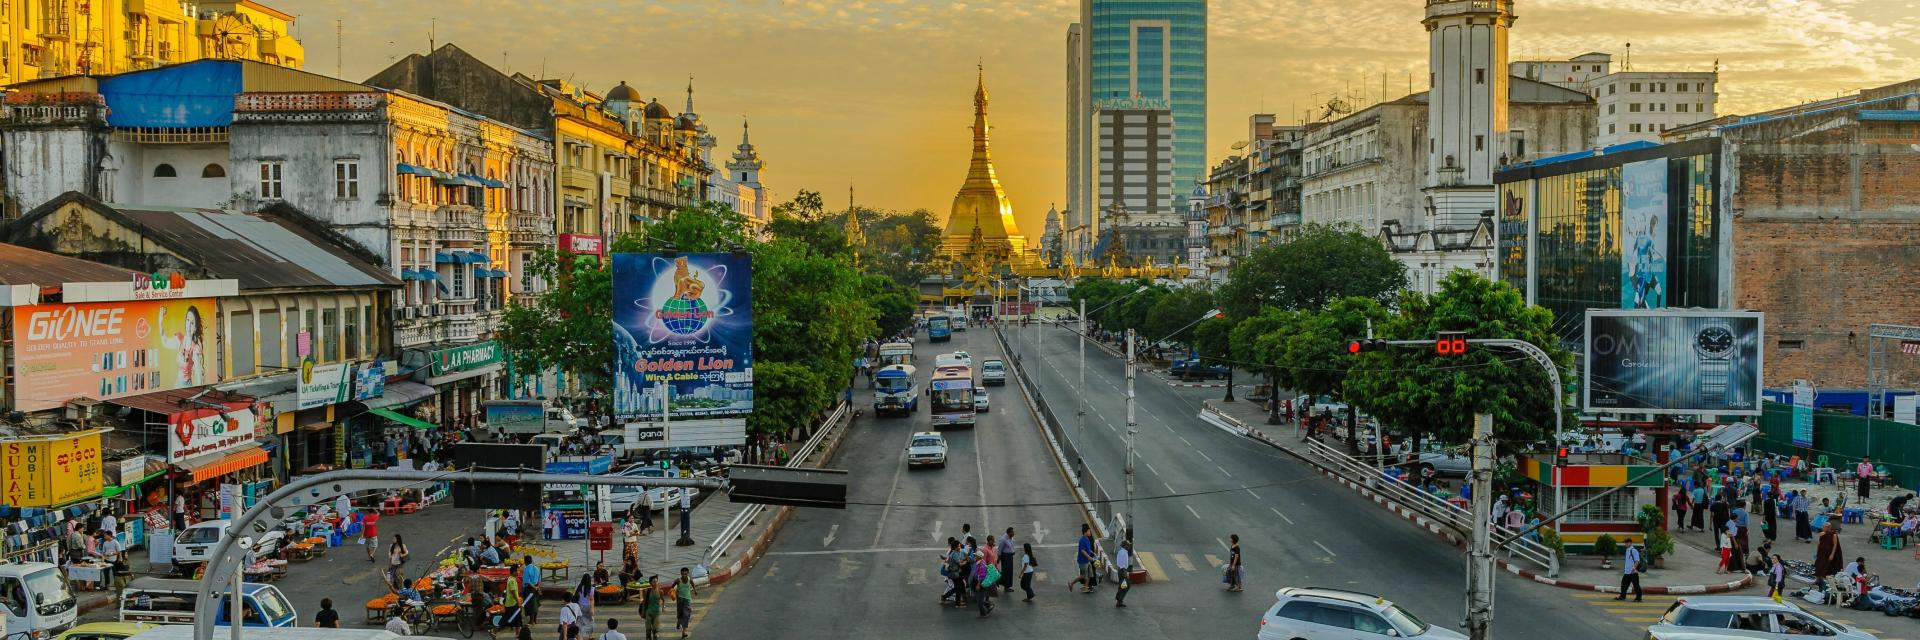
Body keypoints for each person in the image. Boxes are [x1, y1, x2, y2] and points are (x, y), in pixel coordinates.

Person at [1072, 524, 1096, 593]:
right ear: (1085, 532)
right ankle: (1071, 583)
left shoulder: (1087, 539)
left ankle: (1085, 588)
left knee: (1089, 574)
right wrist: (1089, 557)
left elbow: (1088, 549)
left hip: (1087, 561)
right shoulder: (1082, 540)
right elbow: (1082, 551)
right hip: (1083, 561)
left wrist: (1093, 553)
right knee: (1083, 576)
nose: (1090, 532)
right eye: (1089, 531)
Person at [639, 575, 663, 640]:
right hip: (648, 612)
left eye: (656, 581)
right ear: (650, 583)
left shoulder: (660, 591)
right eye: (654, 581)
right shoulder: (647, 591)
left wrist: (663, 607)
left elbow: (663, 599)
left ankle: (655, 636)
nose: (655, 583)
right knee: (648, 629)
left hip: (656, 613)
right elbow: (644, 602)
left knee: (655, 629)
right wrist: (642, 612)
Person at [674, 568, 694, 639]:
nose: (684, 575)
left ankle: (683, 632)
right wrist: (673, 593)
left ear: (688, 573)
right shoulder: (678, 580)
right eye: (683, 574)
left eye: (685, 574)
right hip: (680, 599)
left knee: (686, 615)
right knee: (680, 613)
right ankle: (678, 622)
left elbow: (692, 584)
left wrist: (695, 591)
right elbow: (672, 587)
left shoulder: (689, 579)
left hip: (687, 600)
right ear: (681, 574)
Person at [1112, 540, 1133, 608]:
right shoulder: (1123, 553)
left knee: (1123, 585)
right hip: (1122, 571)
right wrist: (1125, 573)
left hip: (1122, 570)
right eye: (1128, 545)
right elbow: (1122, 565)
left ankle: (1119, 599)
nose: (1129, 546)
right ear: (1125, 546)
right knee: (1125, 585)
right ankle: (1119, 600)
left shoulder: (1122, 552)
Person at [997, 528, 1016, 597]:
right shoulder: (1003, 540)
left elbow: (1011, 545)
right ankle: (998, 581)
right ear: (1009, 533)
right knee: (1006, 571)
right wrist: (998, 558)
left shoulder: (1011, 537)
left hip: (1010, 556)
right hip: (1005, 557)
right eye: (1012, 532)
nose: (1013, 533)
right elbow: (1000, 549)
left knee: (1010, 571)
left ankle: (1007, 586)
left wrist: (1013, 551)